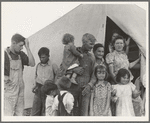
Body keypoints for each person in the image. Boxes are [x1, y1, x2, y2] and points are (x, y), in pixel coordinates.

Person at [4, 33, 35, 116]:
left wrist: (27, 47)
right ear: (13, 43)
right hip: (9, 90)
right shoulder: (4, 54)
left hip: (20, 88)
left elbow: (32, 63)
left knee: (20, 114)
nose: (22, 48)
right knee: (8, 114)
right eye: (20, 45)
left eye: (23, 46)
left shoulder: (21, 54)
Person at [73, 33, 96, 116]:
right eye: (90, 44)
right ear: (84, 42)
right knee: (73, 112)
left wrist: (89, 85)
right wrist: (75, 69)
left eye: (93, 44)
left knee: (84, 113)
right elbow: (64, 67)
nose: (92, 46)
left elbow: (94, 74)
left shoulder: (92, 57)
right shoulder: (74, 52)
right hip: (73, 87)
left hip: (86, 89)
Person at [31, 47, 58, 116]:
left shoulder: (53, 65)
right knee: (35, 109)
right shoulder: (38, 65)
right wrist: (34, 86)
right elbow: (36, 76)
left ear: (48, 56)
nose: (41, 59)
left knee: (46, 109)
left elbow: (58, 76)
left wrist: (54, 89)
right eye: (40, 57)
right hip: (39, 88)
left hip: (48, 90)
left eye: (43, 57)